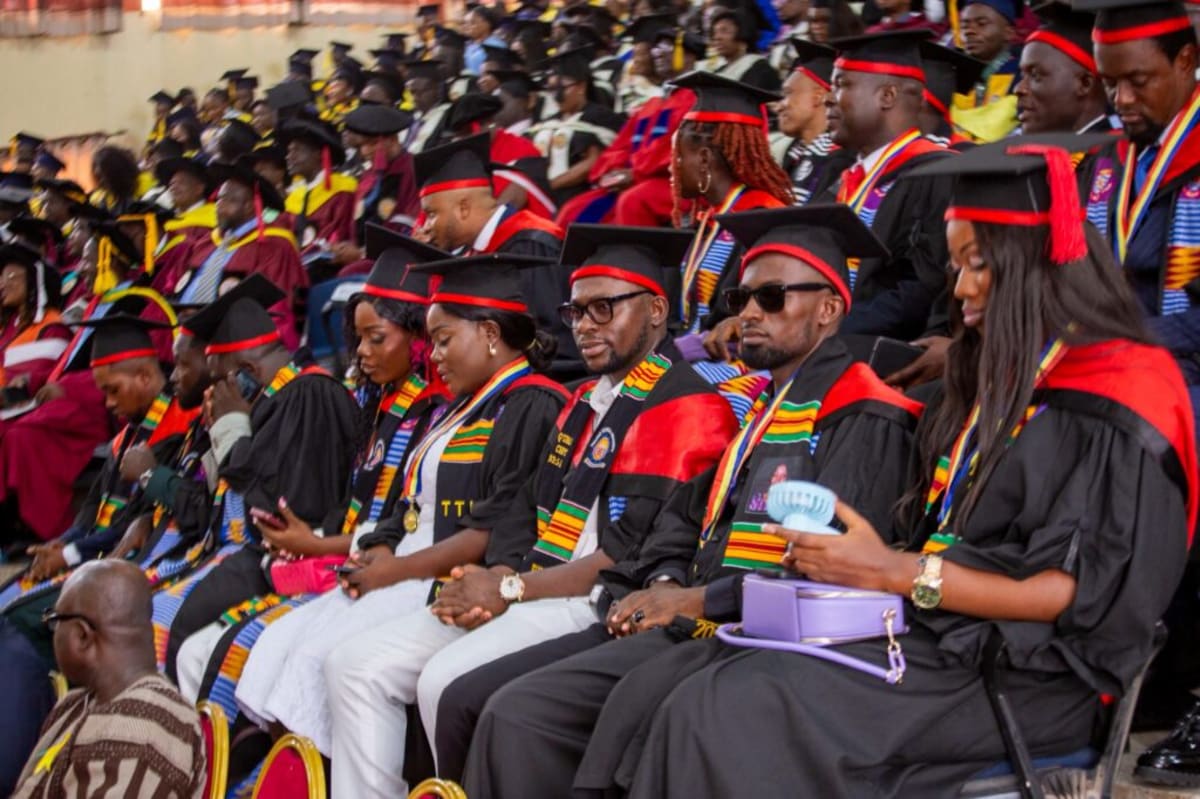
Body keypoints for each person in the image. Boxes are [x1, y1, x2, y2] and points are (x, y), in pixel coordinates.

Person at [576, 139, 1196, 799]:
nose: (958, 289)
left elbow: (1072, 594)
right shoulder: (1007, 377)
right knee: (691, 684)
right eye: (956, 265)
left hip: (1031, 674)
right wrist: (863, 573)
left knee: (726, 710)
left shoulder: (1121, 390)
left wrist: (895, 572)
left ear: (1033, 264)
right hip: (941, 634)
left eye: (976, 264)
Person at [460, 204, 922, 796]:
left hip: (766, 636)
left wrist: (694, 598)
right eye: (742, 299)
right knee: (509, 707)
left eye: (773, 298)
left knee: (539, 714)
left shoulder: (861, 414)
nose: (749, 314)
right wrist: (667, 578)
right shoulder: (761, 409)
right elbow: (689, 521)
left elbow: (826, 570)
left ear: (830, 309)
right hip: (696, 613)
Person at [324, 233, 736, 797]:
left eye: (603, 308)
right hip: (532, 584)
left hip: (588, 600)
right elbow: (523, 511)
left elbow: (627, 553)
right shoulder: (583, 401)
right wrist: (492, 577)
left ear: (657, 310)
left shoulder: (686, 409)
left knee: (446, 684)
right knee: (352, 665)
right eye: (575, 311)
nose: (584, 326)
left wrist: (511, 587)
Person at [176, 238, 448, 716]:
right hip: (338, 557)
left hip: (380, 568)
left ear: (419, 338)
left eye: (376, 339)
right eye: (357, 339)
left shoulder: (424, 412)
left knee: (262, 659)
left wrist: (320, 542)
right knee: (214, 650)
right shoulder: (371, 402)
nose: (360, 352)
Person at [1079, 0, 1200, 779]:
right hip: (1128, 371)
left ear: (1190, 63)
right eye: (1109, 84)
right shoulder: (1109, 163)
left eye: (1138, 82)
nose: (1121, 100)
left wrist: (1117, 346)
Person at [150, 275, 359, 678]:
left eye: (219, 379)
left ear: (245, 370)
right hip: (240, 556)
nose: (213, 392)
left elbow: (285, 507)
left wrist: (231, 433)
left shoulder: (308, 395)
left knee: (173, 631)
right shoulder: (266, 402)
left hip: (285, 561)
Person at [10, 561, 205, 799]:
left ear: (81, 635)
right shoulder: (79, 703)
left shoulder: (142, 729)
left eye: (55, 620)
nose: (54, 631)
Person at [413, 133, 581, 380]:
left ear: (463, 207)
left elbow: (557, 342)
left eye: (431, 214)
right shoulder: (478, 252)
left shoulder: (531, 245)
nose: (425, 226)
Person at [825, 30, 954, 342]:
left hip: (882, 353)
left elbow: (924, 286)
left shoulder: (938, 173)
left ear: (887, 96)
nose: (828, 97)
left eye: (841, 84)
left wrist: (830, 333)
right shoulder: (842, 182)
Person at [666, 71, 793, 355]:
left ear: (704, 159)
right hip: (691, 351)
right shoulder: (707, 221)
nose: (670, 166)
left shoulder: (762, 219)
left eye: (677, 156)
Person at [554, 26, 703, 227]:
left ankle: (632, 258)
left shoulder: (697, 99)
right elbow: (620, 146)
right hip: (637, 180)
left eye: (667, 46)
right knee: (573, 210)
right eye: (656, 47)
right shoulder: (651, 105)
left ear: (689, 57)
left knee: (632, 202)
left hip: (678, 185)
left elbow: (677, 149)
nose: (657, 53)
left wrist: (635, 173)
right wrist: (614, 172)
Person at [176, 161, 308, 350]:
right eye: (219, 199)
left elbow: (277, 308)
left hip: (236, 342)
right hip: (186, 334)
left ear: (249, 207)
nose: (218, 207)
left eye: (228, 200)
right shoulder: (206, 243)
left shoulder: (274, 246)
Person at [528, 48, 628, 207]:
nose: (556, 97)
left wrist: (551, 185)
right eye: (552, 89)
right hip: (544, 198)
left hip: (581, 197)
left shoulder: (600, 118)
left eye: (562, 89)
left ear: (581, 87)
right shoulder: (547, 122)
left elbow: (593, 162)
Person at [1014, 3, 1112, 136]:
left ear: (1085, 83)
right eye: (1022, 75)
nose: (1019, 89)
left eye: (1035, 75)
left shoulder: (1116, 154)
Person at [777, 41, 855, 206]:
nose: (779, 106)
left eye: (788, 94)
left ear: (819, 96)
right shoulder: (792, 155)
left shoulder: (843, 160)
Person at [279, 118, 358, 265]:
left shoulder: (342, 189)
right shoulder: (294, 198)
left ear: (317, 154)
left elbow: (336, 237)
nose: (289, 157)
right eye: (288, 152)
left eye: (296, 150)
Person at [0, 244, 69, 402]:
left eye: (10, 276)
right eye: (1, 277)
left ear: (34, 280)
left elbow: (30, 386)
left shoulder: (52, 327)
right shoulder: (8, 324)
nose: (1, 285)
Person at [343, 104, 420, 246]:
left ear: (392, 139)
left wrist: (362, 254)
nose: (365, 151)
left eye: (372, 143)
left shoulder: (415, 169)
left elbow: (411, 225)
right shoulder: (367, 177)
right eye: (361, 146)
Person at [951, 0, 1022, 141]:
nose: (969, 31)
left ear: (1009, 32)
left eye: (981, 24)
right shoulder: (950, 72)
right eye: (964, 26)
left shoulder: (1023, 74)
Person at [151, 156, 217, 295]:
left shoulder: (212, 216)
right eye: (171, 184)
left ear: (199, 188)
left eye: (181, 183)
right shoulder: (166, 221)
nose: (174, 187)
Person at [709, 6, 783, 91]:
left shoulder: (760, 70)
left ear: (743, 33)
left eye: (724, 31)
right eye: (714, 33)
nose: (717, 37)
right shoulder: (718, 72)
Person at [404, 60, 453, 155]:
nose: (415, 98)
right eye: (412, 92)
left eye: (421, 92)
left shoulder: (449, 115)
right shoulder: (409, 119)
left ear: (438, 90)